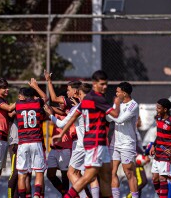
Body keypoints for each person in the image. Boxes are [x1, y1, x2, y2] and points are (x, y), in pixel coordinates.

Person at [52, 70, 121, 198]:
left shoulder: (85, 101)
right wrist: (117, 103)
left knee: (106, 176)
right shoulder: (98, 99)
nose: (105, 87)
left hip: (99, 144)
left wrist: (61, 135)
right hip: (95, 143)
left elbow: (73, 117)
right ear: (95, 84)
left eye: (106, 84)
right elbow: (115, 115)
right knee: (88, 176)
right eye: (102, 84)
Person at [45, 83, 99, 198]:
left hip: (81, 145)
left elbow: (61, 123)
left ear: (78, 93)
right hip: (96, 144)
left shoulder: (78, 108)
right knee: (93, 176)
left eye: (69, 90)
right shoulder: (96, 105)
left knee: (71, 173)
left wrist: (50, 115)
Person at [106, 82, 139, 198]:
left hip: (127, 143)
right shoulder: (117, 104)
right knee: (111, 171)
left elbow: (119, 119)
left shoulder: (133, 105)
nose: (116, 93)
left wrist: (111, 115)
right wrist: (111, 114)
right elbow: (108, 118)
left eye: (117, 91)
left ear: (124, 93)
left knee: (129, 173)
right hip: (115, 143)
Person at [15, 87, 47, 198]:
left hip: (23, 143)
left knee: (22, 175)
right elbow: (45, 97)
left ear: (23, 96)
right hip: (36, 142)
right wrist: (36, 86)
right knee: (39, 172)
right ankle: (37, 195)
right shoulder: (37, 103)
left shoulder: (18, 104)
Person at [150, 98, 171, 198]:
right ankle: (161, 195)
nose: (156, 109)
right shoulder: (158, 118)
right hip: (158, 154)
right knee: (154, 179)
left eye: (159, 108)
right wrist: (153, 145)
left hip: (166, 156)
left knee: (163, 179)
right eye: (156, 107)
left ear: (165, 109)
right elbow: (159, 134)